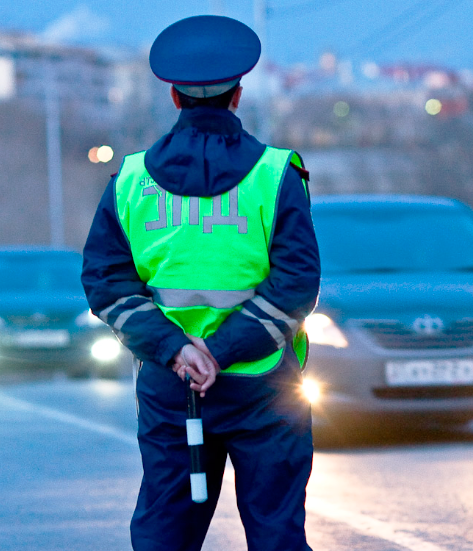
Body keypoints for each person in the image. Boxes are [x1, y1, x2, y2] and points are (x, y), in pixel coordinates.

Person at [81, 15, 320, 551]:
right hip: (266, 389)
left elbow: (106, 282)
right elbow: (297, 282)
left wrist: (177, 351)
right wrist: (223, 349)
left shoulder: (131, 180)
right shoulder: (277, 175)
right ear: (238, 95)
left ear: (173, 97)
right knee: (277, 534)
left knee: (166, 535)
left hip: (173, 388)